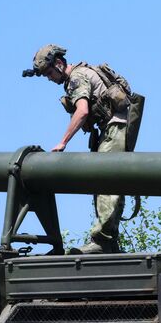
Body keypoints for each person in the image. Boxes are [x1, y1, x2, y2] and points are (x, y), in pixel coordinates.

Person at [23, 45, 143, 253]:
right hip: (114, 126)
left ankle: (103, 241)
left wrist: (63, 142)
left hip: (115, 126)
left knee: (107, 179)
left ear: (59, 64)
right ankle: (108, 239)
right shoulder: (81, 73)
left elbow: (82, 111)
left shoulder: (76, 78)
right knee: (104, 181)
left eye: (50, 73)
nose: (50, 78)